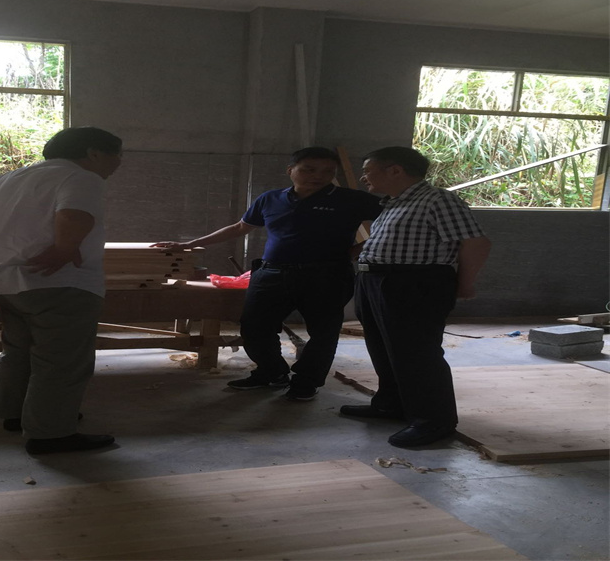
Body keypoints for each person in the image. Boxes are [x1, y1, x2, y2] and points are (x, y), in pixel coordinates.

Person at [0, 126, 123, 455]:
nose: (118, 163)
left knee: (18, 352)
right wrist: (65, 248)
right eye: (117, 156)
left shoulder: (11, 179)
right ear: (94, 153)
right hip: (59, 284)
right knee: (62, 361)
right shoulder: (82, 177)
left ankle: (17, 415)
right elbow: (74, 215)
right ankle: (50, 434)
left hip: (5, 283)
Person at [153, 146, 383, 401]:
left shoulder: (351, 199)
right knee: (254, 327)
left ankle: (306, 382)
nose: (318, 176)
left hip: (327, 275)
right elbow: (239, 227)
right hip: (272, 273)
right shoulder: (270, 199)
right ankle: (272, 372)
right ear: (290, 171)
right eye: (309, 169)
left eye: (327, 171)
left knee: (323, 333)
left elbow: (392, 220)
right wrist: (189, 244)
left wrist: (359, 249)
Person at [340, 146, 491, 448]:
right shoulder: (393, 203)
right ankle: (391, 404)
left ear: (395, 170)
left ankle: (434, 421)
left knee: (417, 354)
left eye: (368, 171)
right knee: (383, 348)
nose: (364, 177)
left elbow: (476, 243)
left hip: (414, 283)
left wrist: (465, 284)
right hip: (376, 281)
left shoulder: (437, 199)